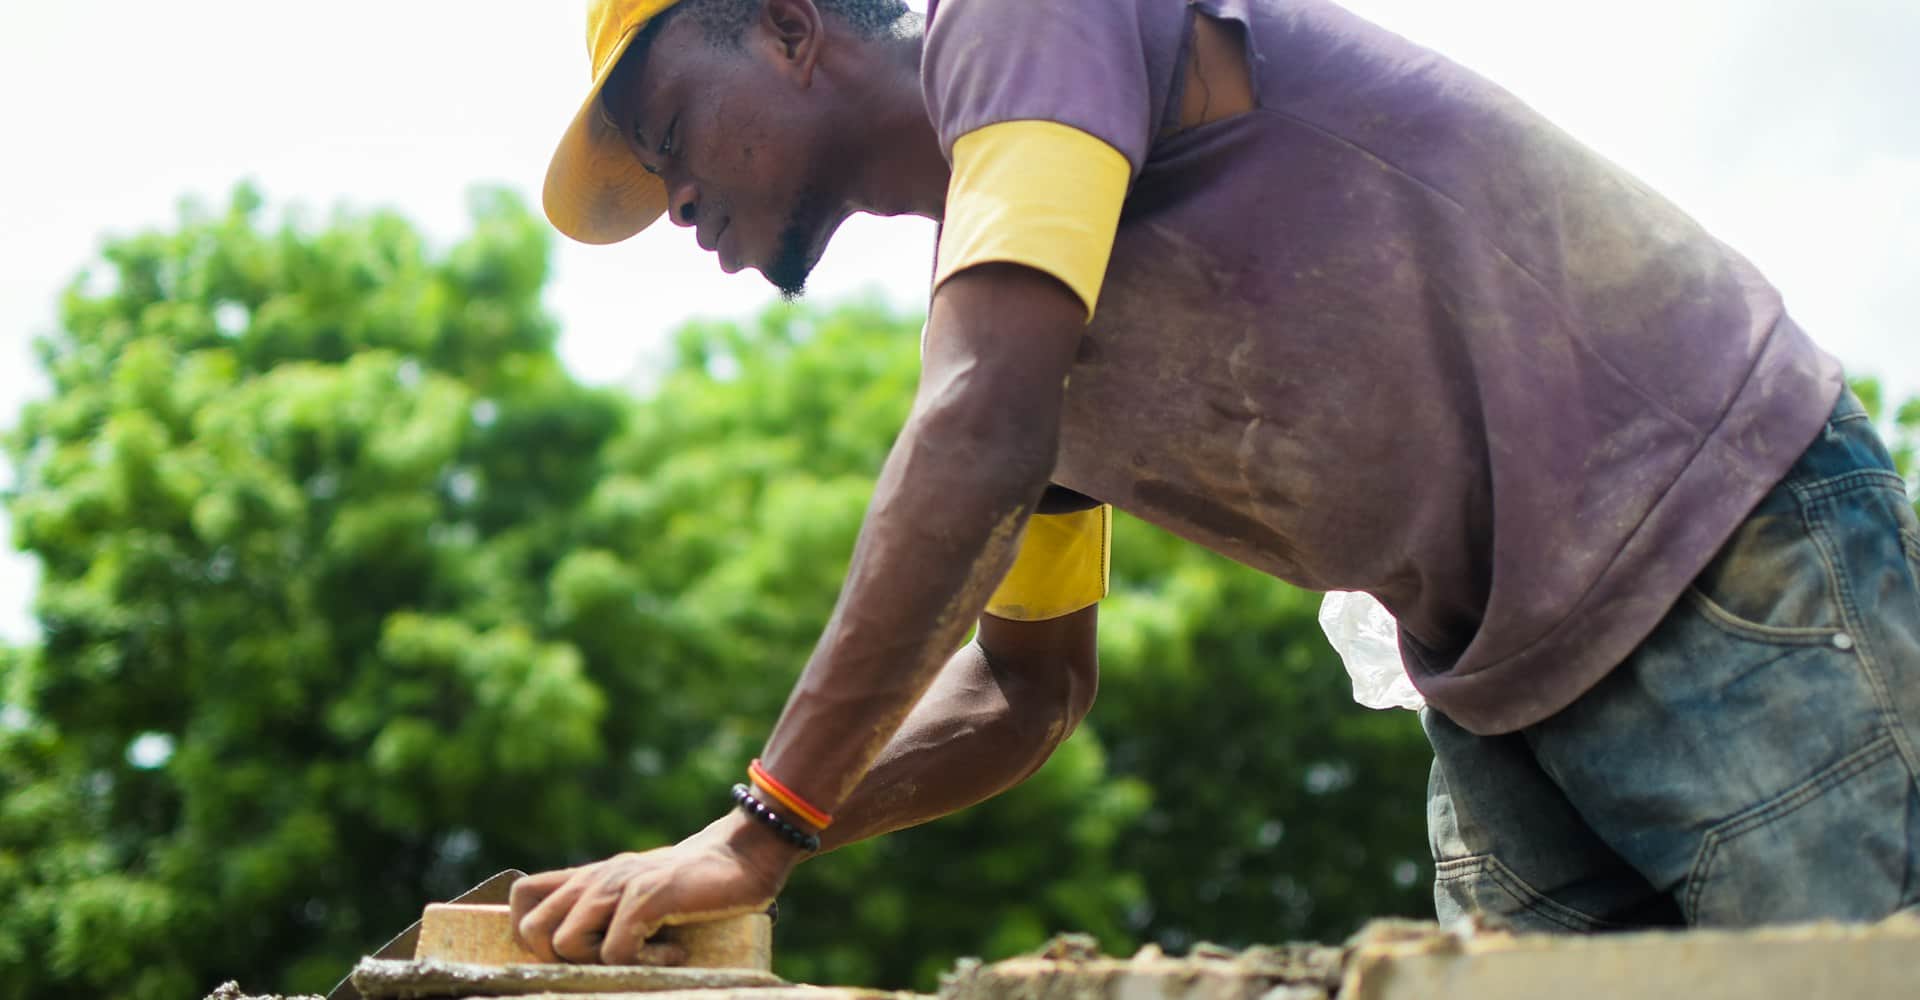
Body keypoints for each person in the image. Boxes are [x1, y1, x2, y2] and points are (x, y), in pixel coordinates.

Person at [510, 0, 1920, 963]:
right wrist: (768, 837)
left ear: (789, 24)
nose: (671, 196)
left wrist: (763, 822)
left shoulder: (1018, 26)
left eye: (669, 129)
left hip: (1727, 559)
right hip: (1497, 687)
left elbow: (982, 420)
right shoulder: (1015, 282)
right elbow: (1026, 686)